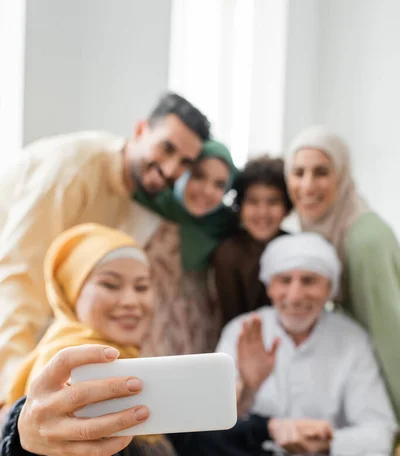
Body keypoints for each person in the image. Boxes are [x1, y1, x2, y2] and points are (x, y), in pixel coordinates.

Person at [3, 225, 400, 456]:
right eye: (110, 284)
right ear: (71, 292)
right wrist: (26, 436)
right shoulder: (66, 371)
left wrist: (260, 412)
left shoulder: (126, 368)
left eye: (143, 287)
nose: (132, 301)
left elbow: (189, 443)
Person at [0, 92, 210, 406]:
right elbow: (18, 277)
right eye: (167, 148)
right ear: (140, 130)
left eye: (184, 163)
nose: (170, 169)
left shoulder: (133, 195)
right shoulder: (75, 168)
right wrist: (10, 395)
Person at [213, 232, 400, 456]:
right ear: (269, 286)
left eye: (309, 281)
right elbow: (217, 425)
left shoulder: (351, 340)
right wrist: (249, 383)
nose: (295, 295)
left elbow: (380, 432)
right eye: (284, 280)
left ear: (329, 288)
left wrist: (328, 441)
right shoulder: (241, 332)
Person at [285, 125, 400, 423]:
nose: (307, 186)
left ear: (342, 175)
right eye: (298, 173)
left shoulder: (364, 240)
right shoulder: (317, 228)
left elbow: (389, 334)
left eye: (321, 172)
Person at [140, 140, 238, 356]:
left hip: (201, 325)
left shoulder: (225, 225)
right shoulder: (146, 205)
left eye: (220, 184)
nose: (207, 191)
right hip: (146, 322)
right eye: (198, 176)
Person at [213, 156, 292, 326]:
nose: (262, 212)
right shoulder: (228, 252)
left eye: (273, 201)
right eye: (252, 201)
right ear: (240, 207)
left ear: (287, 207)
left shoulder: (295, 247)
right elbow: (232, 321)